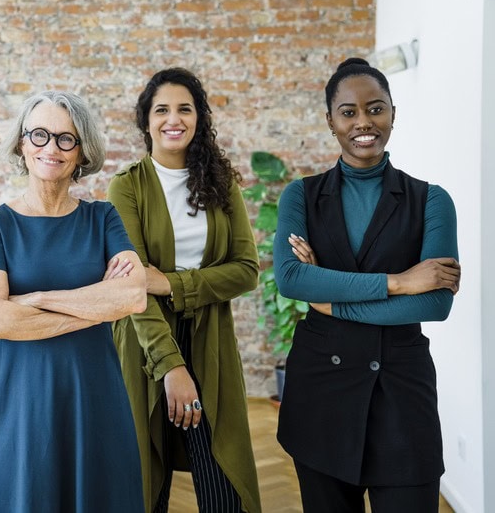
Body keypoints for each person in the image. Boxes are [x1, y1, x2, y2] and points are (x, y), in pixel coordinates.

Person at [275, 58, 460, 513]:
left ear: (393, 113)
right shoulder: (300, 196)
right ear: (331, 121)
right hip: (321, 395)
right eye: (349, 112)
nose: (363, 123)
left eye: (375, 109)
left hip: (402, 395)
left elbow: (436, 302)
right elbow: (292, 277)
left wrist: (332, 303)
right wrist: (400, 282)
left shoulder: (432, 200)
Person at [0, 90, 146, 512]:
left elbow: (133, 295)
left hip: (94, 400)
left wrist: (40, 298)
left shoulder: (102, 217)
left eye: (67, 139)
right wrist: (97, 305)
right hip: (22, 405)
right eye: (40, 135)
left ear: (82, 152)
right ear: (22, 143)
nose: (52, 148)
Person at [107, 68, 262, 513]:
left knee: (224, 485)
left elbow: (246, 270)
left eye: (184, 109)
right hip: (145, 346)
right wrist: (171, 366)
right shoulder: (127, 186)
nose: (173, 119)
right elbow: (132, 285)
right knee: (143, 484)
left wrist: (171, 282)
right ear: (146, 120)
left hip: (211, 342)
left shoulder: (221, 183)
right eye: (161, 110)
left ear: (199, 118)